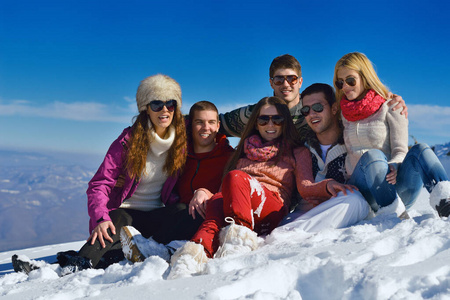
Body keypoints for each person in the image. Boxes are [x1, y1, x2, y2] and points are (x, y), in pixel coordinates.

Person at [12, 74, 188, 274]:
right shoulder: (127, 142)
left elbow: (208, 122)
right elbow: (100, 184)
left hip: (156, 217)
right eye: (156, 104)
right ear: (145, 108)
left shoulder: (181, 141)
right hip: (123, 215)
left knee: (184, 210)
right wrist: (100, 218)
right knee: (118, 218)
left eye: (170, 103)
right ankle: (75, 265)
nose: (164, 110)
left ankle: (97, 257)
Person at [167, 96, 358, 279]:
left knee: (236, 178)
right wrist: (205, 191)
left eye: (277, 119)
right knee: (216, 206)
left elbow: (305, 187)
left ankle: (238, 246)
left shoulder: (297, 151)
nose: (270, 124)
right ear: (256, 123)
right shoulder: (243, 150)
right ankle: (192, 256)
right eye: (264, 119)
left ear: (285, 122)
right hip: (238, 202)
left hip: (270, 207)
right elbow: (226, 188)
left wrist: (328, 185)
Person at [334, 52, 450, 218]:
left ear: (365, 77)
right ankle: (392, 215)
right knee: (373, 155)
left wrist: (395, 164)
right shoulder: (342, 112)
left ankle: (445, 201)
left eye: (350, 80)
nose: (345, 86)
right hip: (362, 191)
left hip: (396, 187)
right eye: (340, 82)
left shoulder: (391, 105)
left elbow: (400, 149)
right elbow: (314, 109)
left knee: (421, 149)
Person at [119, 101, 235, 262]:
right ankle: (93, 259)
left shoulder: (230, 157)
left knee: (188, 211)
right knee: (121, 217)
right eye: (199, 122)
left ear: (218, 126)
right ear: (191, 125)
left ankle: (151, 248)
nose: (205, 128)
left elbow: (233, 193)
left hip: (202, 219)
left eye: (211, 122)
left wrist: (207, 193)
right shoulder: (180, 154)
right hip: (171, 215)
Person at [219, 54, 407, 139]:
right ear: (271, 83)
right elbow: (214, 125)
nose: (285, 84)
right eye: (279, 80)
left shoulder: (319, 108)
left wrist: (386, 98)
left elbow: (358, 105)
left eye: (291, 79)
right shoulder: (257, 114)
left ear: (300, 82)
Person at [276, 83, 370, 232]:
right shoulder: (302, 148)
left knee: (355, 200)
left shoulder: (352, 142)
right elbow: (303, 186)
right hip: (305, 215)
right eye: (306, 110)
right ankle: (291, 234)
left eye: (318, 107)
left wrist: (390, 101)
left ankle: (293, 235)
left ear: (334, 108)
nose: (312, 114)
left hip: (344, 208)